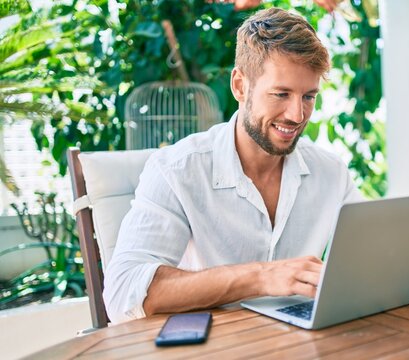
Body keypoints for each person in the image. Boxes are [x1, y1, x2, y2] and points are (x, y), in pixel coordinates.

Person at [104, 7, 363, 323]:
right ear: (240, 86)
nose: (297, 115)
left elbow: (373, 259)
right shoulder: (175, 170)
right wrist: (261, 277)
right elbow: (122, 293)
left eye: (308, 96)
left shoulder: (331, 173)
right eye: (281, 94)